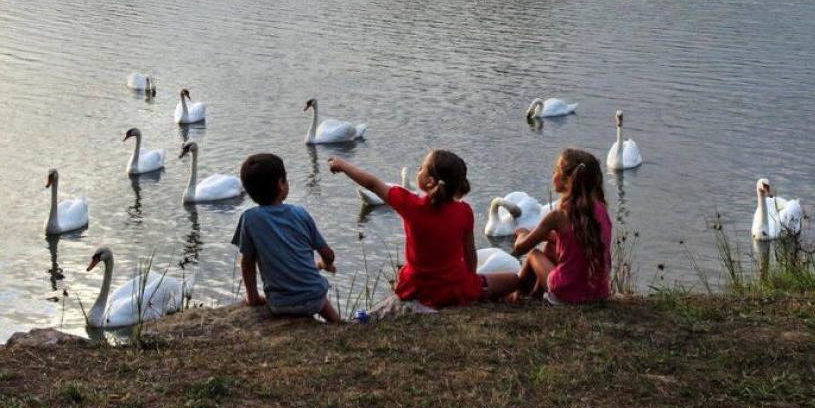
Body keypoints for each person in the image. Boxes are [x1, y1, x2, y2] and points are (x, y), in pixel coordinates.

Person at [330, 150, 518, 307]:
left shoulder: (410, 204)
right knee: (513, 280)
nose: (418, 169)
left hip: (416, 289)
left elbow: (372, 183)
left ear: (429, 182)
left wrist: (343, 165)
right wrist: (470, 283)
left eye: (421, 167)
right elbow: (470, 254)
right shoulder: (464, 211)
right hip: (454, 288)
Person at [231, 153, 341, 322]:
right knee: (317, 295)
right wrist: (326, 263)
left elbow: (247, 263)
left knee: (309, 293)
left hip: (280, 304)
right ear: (281, 184)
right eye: (286, 179)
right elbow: (329, 254)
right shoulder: (300, 214)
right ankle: (339, 324)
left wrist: (253, 297)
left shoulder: (249, 219)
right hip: (315, 299)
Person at [511, 149, 612, 305]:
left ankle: (517, 297)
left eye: (556, 169)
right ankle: (534, 297)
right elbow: (577, 240)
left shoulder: (559, 215)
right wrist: (547, 236)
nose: (553, 173)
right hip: (599, 293)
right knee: (551, 248)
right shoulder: (601, 209)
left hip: (567, 295)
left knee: (533, 254)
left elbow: (520, 249)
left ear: (566, 180)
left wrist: (522, 234)